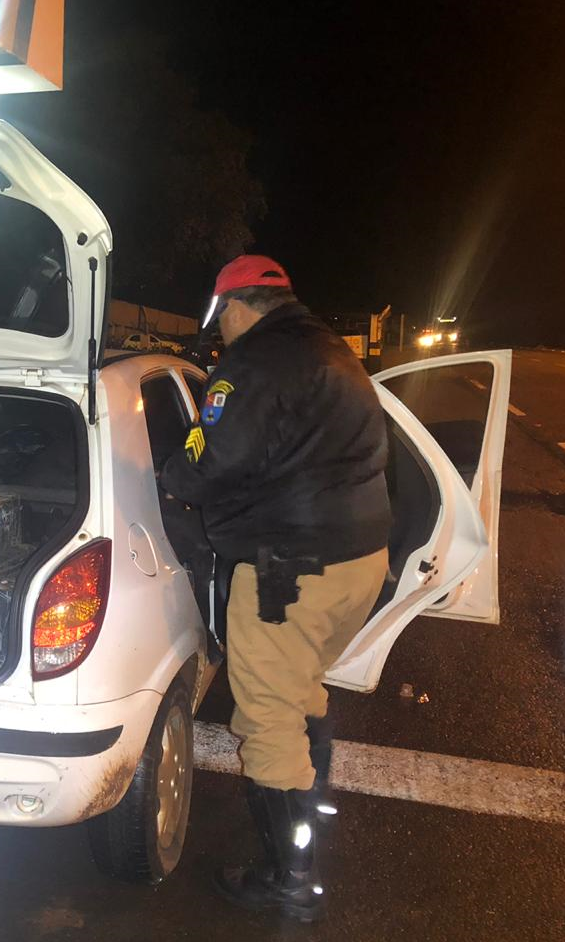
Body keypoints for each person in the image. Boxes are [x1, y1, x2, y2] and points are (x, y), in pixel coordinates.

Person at [160, 256, 390, 922]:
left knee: (266, 720)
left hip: (290, 571)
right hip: (356, 562)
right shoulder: (328, 349)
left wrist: (171, 476)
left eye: (219, 319)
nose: (220, 333)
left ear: (233, 307)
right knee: (300, 688)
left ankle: (287, 879)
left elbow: (209, 458)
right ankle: (309, 804)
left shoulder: (251, 366)